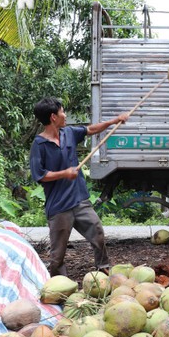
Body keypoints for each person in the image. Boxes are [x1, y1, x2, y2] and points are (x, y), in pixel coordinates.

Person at [29, 97, 129, 277]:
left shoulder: (68, 133)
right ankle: (59, 285)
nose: (65, 115)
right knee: (57, 254)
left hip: (79, 199)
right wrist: (64, 173)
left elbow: (91, 129)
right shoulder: (39, 145)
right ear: (53, 117)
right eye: (62, 111)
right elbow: (40, 175)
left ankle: (103, 268)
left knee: (97, 233)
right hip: (59, 206)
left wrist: (115, 120)